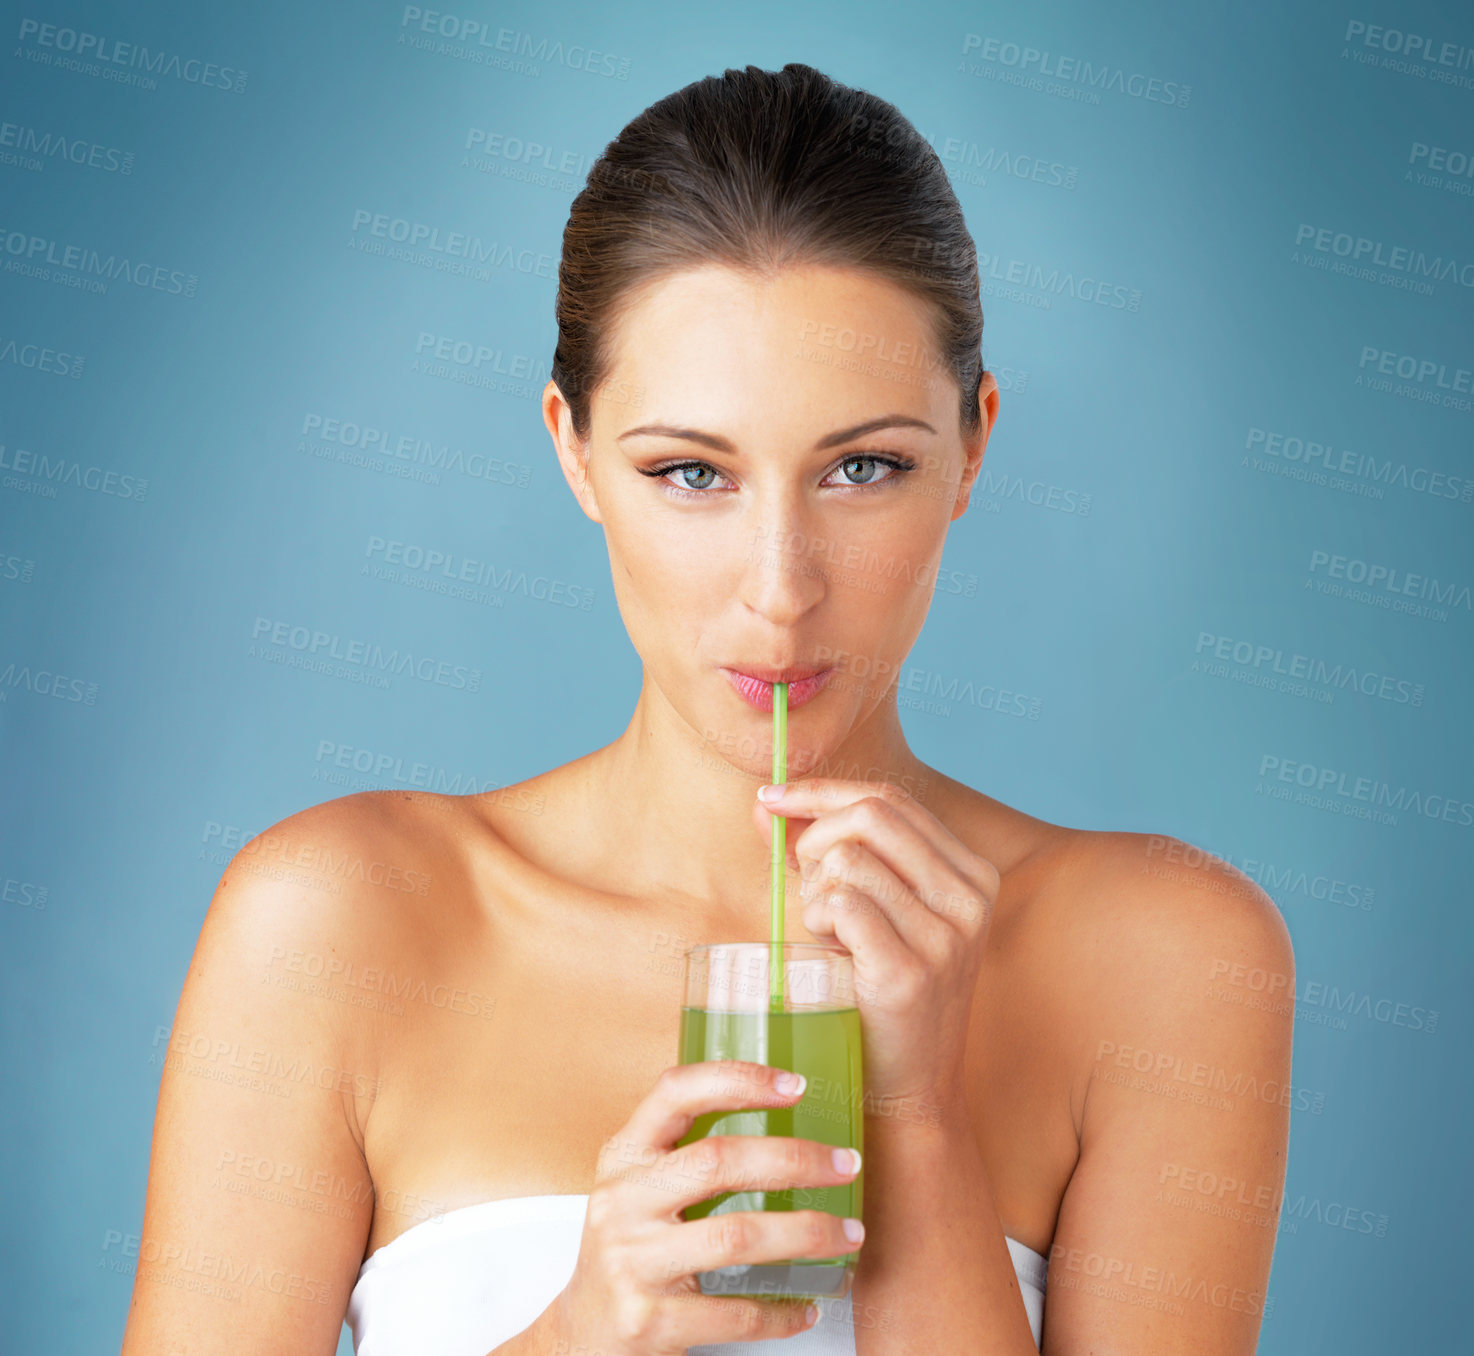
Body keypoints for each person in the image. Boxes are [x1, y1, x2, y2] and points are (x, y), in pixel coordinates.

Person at [120, 63, 1293, 1356]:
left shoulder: (1164, 957)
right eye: (690, 472)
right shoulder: (337, 919)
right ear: (572, 448)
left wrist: (916, 1112)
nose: (780, 589)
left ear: (972, 446)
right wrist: (575, 1332)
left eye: (863, 467)